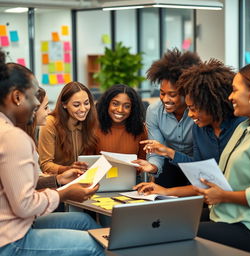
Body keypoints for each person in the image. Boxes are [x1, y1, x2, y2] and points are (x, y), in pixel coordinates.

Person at [0, 50, 104, 255]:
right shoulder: (13, 137)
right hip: (11, 239)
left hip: (17, 224)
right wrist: (64, 194)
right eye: (34, 95)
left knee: (84, 221)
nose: (38, 104)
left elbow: (14, 183)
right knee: (95, 246)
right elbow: (25, 206)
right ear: (17, 96)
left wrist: (57, 180)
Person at [134, 59, 245, 198]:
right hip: (200, 184)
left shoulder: (242, 126)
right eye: (162, 93)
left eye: (172, 94)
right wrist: (164, 160)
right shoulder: (199, 128)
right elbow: (199, 169)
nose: (190, 114)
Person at [195, 62, 250, 254]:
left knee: (179, 233)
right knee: (170, 221)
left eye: (235, 91)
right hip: (224, 214)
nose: (230, 97)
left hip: (248, 225)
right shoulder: (243, 128)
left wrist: (223, 196)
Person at [134, 48, 201, 187]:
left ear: (186, 92)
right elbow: (156, 149)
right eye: (162, 93)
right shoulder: (154, 111)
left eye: (172, 94)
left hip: (197, 164)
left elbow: (200, 157)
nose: (165, 99)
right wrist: (153, 166)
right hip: (169, 163)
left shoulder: (200, 112)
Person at [38, 81, 98, 174]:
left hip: (81, 178)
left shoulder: (89, 121)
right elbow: (45, 165)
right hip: (57, 181)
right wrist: (68, 169)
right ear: (64, 104)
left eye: (86, 103)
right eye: (76, 105)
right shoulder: (50, 123)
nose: (83, 109)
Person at [95, 84, 147, 160]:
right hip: (100, 172)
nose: (120, 110)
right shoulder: (94, 127)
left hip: (129, 172)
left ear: (133, 109)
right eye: (115, 104)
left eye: (127, 106)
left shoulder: (140, 129)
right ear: (107, 104)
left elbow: (143, 162)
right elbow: (88, 162)